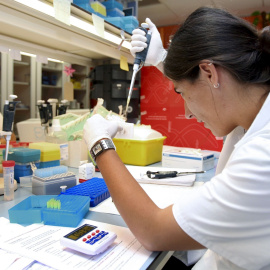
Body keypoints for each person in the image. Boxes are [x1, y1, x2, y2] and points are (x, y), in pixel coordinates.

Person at [83, 6, 270, 270]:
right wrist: (162, 58)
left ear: (210, 73)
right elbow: (215, 87)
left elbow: (153, 231)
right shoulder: (252, 114)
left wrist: (99, 144)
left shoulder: (263, 158)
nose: (187, 113)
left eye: (181, 92)